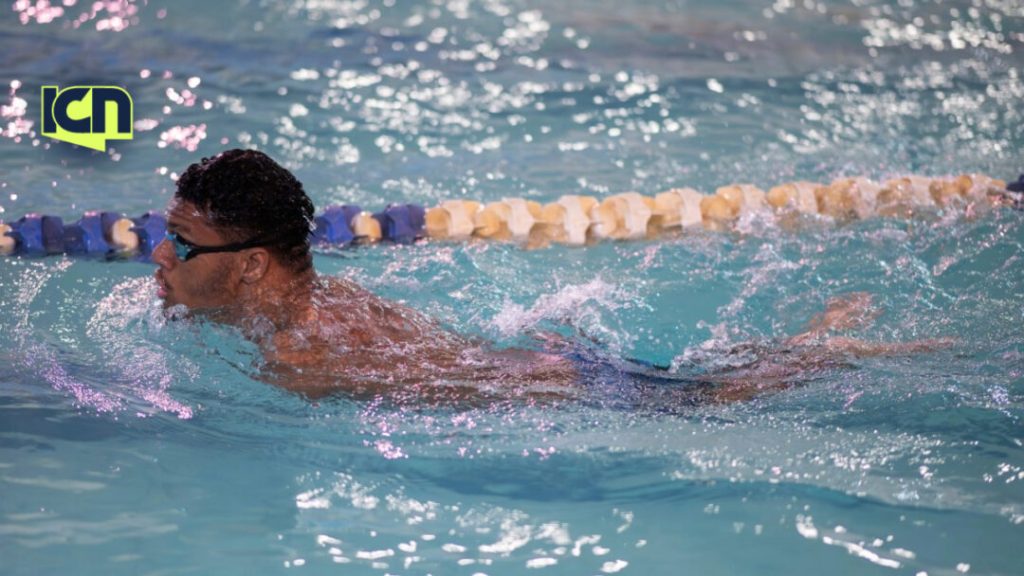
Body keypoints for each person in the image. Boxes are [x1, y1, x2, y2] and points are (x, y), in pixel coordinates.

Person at [152, 149, 949, 404]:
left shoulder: (298, 360)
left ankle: (849, 346)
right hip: (552, 363)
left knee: (713, 397)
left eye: (182, 246)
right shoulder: (321, 301)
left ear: (253, 264)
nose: (161, 259)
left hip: (570, 385)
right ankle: (827, 338)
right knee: (714, 379)